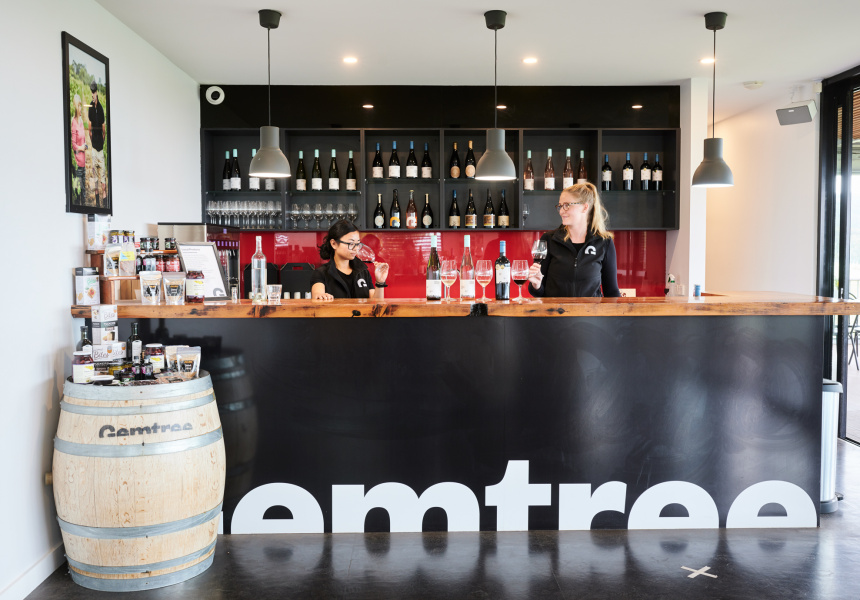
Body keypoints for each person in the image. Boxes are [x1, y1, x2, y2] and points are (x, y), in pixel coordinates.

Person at [528, 182, 621, 298]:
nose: (561, 211)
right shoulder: (548, 239)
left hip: (590, 310)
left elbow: (612, 292)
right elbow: (538, 292)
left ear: (585, 207)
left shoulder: (604, 242)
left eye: (567, 205)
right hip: (555, 309)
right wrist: (536, 285)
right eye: (560, 206)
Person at [311, 220, 389, 300]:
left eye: (357, 244)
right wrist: (321, 296)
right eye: (351, 244)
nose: (356, 249)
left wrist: (380, 282)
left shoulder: (363, 271)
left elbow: (376, 303)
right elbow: (317, 295)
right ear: (334, 244)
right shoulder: (321, 273)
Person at [87, 81, 107, 204]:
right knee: (94, 177)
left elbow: (104, 131)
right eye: (92, 92)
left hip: (100, 150)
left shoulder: (101, 109)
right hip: (94, 149)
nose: (93, 94)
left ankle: (104, 203)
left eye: (94, 92)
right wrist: (94, 142)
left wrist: (100, 143)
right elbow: (89, 130)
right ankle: (98, 203)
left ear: (97, 92)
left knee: (103, 179)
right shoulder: (90, 107)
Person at [70, 94, 87, 200]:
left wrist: (85, 145)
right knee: (78, 192)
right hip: (78, 164)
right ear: (77, 107)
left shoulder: (81, 122)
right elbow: (74, 145)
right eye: (80, 106)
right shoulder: (74, 122)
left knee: (84, 193)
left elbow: (83, 139)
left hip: (83, 163)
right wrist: (81, 148)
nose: (81, 108)